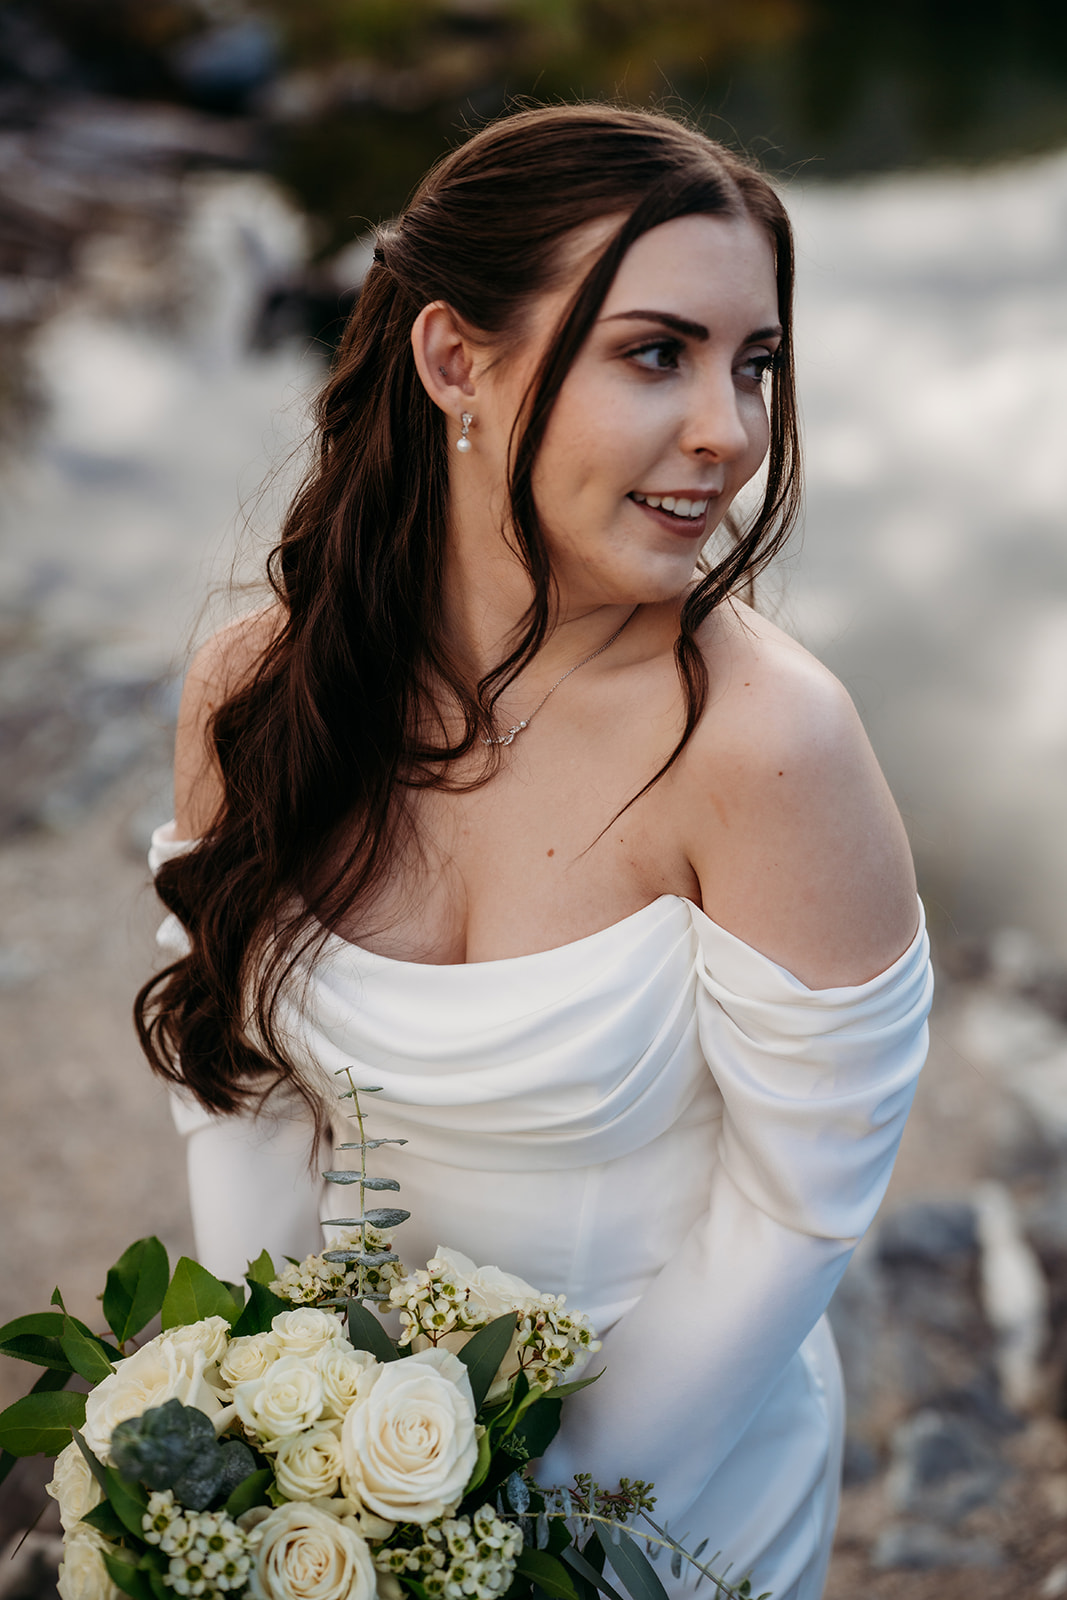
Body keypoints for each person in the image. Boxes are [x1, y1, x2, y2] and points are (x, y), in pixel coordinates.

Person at [137, 104, 933, 1600]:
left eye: (753, 364)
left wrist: (522, 1539)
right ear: (456, 361)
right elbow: (236, 1092)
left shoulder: (767, 745)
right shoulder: (258, 695)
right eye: (657, 354)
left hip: (673, 1490)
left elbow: (801, 1200)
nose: (731, 433)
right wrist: (264, 1433)